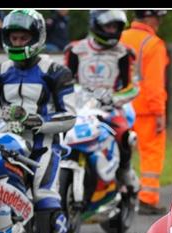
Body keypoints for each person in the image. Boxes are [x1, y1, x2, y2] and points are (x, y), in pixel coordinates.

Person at [0, 9, 76, 233]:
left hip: (43, 146)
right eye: (14, 36)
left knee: (46, 197)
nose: (18, 41)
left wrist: (40, 123)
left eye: (23, 36)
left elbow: (71, 116)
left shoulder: (56, 72)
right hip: (7, 142)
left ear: (37, 38)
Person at [65, 10, 140, 193]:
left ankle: (125, 170)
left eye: (115, 26)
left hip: (110, 106)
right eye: (108, 26)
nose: (112, 30)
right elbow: (63, 80)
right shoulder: (74, 50)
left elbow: (132, 86)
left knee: (124, 133)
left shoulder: (124, 52)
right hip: (79, 106)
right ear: (95, 24)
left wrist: (113, 98)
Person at [120, 10, 170, 215]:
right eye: (158, 17)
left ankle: (116, 197)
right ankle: (147, 199)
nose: (159, 22)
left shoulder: (119, 38)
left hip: (120, 107)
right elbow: (154, 84)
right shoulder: (153, 44)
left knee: (119, 153)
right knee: (150, 154)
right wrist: (159, 113)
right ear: (149, 17)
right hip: (145, 110)